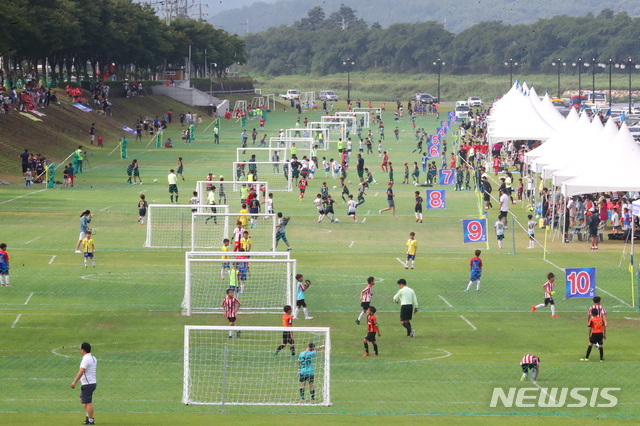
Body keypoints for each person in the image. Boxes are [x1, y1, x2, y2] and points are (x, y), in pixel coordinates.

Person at [70, 342, 97, 425]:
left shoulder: (86, 359)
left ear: (83, 350)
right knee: (82, 399)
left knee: (87, 402)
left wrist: (74, 381)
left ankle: (90, 420)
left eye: (81, 349)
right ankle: (89, 416)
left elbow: (82, 371)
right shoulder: (93, 358)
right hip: (91, 382)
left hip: (88, 384)